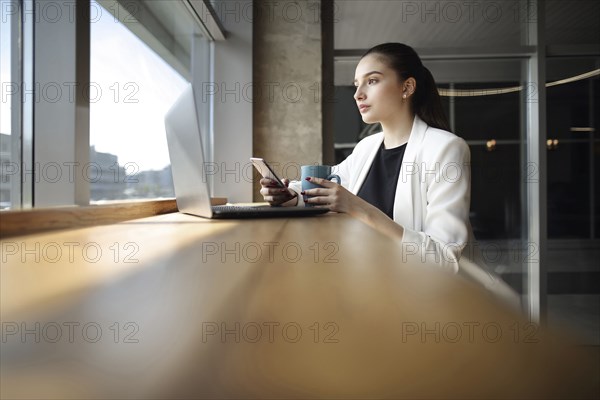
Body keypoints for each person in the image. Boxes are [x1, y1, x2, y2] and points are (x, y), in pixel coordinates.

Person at [260, 43, 520, 308]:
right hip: (379, 290)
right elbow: (328, 188)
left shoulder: (445, 148)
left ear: (407, 87)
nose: (358, 94)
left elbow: (444, 258)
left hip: (440, 301)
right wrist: (289, 195)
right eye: (356, 84)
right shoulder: (367, 147)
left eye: (372, 81)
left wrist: (359, 208)